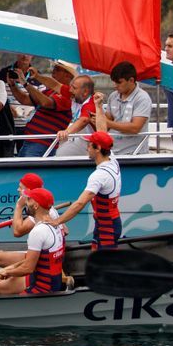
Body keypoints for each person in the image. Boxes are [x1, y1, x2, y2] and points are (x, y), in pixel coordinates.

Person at [51, 101, 121, 250]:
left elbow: (79, 204)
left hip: (107, 227)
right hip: (107, 222)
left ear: (98, 148)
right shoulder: (112, 158)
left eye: (90, 145)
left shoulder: (99, 176)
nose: (87, 147)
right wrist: (98, 105)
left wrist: (58, 221)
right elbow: (102, 130)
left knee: (105, 268)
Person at [14, 60, 77, 157]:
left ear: (68, 75)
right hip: (34, 140)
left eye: (57, 69)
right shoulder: (50, 91)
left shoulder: (68, 95)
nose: (53, 71)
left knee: (26, 171)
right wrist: (12, 85)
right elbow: (25, 100)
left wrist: (25, 84)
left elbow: (45, 102)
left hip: (41, 143)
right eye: (54, 68)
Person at [100, 61, 152, 155]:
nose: (115, 85)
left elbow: (135, 128)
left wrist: (107, 123)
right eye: (114, 82)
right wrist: (98, 107)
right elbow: (107, 120)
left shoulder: (143, 98)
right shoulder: (113, 96)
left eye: (119, 82)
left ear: (131, 80)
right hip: (111, 152)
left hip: (133, 154)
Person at [55, 75, 98, 156]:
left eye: (74, 88)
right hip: (81, 139)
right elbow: (55, 85)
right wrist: (37, 76)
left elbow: (84, 120)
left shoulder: (91, 103)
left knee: (60, 154)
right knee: (60, 152)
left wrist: (66, 132)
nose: (70, 90)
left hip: (90, 143)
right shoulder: (76, 95)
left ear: (85, 92)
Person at [0, 53, 39, 130]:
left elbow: (40, 101)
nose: (25, 56)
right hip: (7, 124)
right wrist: (7, 107)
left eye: (28, 54)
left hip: (29, 125)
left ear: (32, 55)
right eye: (22, 53)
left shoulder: (37, 75)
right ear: (16, 53)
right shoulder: (4, 73)